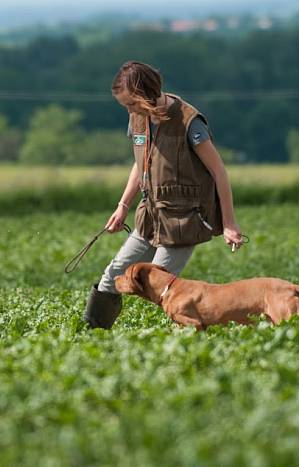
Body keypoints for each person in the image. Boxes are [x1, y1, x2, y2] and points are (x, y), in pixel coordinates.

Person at [83, 61, 244, 329]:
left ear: (146, 95)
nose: (130, 111)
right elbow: (141, 163)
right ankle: (92, 334)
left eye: (132, 104)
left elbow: (219, 171)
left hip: (183, 221)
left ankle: (179, 339)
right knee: (112, 276)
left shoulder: (189, 121)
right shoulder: (137, 119)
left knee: (159, 287)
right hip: (150, 216)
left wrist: (229, 223)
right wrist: (123, 205)